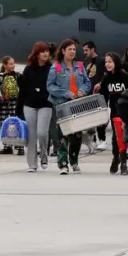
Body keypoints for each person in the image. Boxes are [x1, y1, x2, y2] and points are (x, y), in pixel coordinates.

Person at [46, 39, 92, 174]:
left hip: (77, 104)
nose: (72, 52)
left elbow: (87, 82)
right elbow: (50, 86)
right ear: (63, 51)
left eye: (74, 49)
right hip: (62, 105)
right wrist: (66, 93)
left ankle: (74, 161)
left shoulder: (80, 66)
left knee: (77, 135)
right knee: (62, 134)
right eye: (69, 49)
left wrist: (82, 90)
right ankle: (63, 164)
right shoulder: (56, 67)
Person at [20, 42, 52, 171]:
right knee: (31, 135)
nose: (45, 53)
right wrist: (18, 109)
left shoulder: (51, 69)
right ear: (37, 54)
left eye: (47, 51)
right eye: (42, 51)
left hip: (46, 104)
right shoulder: (28, 69)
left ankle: (44, 154)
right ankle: (32, 164)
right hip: (29, 104)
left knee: (42, 133)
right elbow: (22, 90)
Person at [101, 52, 128, 175]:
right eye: (106, 62)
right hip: (114, 112)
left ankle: (124, 162)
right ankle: (116, 158)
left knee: (123, 137)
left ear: (116, 62)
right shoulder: (106, 78)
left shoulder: (125, 77)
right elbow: (103, 96)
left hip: (126, 111)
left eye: (110, 61)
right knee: (116, 138)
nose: (107, 64)